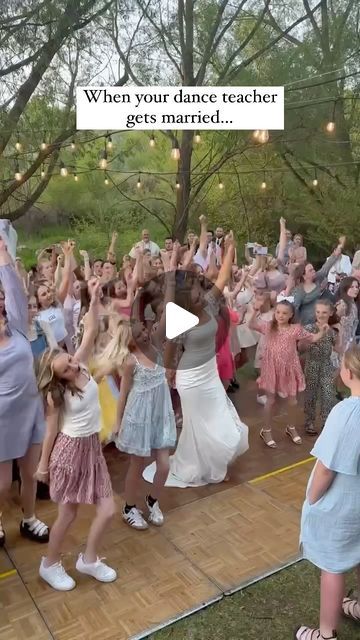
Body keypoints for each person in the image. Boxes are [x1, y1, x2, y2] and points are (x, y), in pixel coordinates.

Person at [143, 235, 249, 488]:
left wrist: (230, 249)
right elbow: (170, 347)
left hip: (210, 374)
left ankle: (215, 461)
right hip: (190, 378)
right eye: (195, 294)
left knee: (219, 416)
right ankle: (201, 465)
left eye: (201, 291)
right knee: (197, 424)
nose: (201, 296)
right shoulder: (179, 318)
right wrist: (170, 371)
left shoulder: (211, 304)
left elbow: (223, 277)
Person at [35, 281, 117, 591]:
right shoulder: (56, 395)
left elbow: (92, 329)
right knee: (68, 514)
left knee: (107, 510)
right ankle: (49, 564)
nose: (72, 365)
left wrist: (94, 299)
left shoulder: (78, 362)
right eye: (67, 369)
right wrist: (43, 465)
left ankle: (89, 559)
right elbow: (51, 429)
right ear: (57, 378)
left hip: (92, 449)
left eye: (69, 360)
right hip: (69, 453)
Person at [296, 345, 360, 640]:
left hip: (343, 505)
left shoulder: (345, 413)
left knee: (333, 565)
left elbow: (326, 468)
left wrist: (313, 498)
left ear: (347, 373)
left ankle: (325, 634)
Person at [0, 235, 49, 547]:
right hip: (2, 419)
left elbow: (16, 291)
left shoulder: (16, 325)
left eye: (0, 297)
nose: (1, 301)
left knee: (29, 474)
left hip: (31, 410)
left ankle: (29, 518)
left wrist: (3, 252)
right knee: (3, 484)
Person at [249, 299, 330, 448]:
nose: (280, 315)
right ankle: (266, 430)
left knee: (292, 402)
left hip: (290, 370)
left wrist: (322, 331)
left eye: (284, 313)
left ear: (291, 315)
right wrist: (254, 310)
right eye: (278, 312)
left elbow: (312, 338)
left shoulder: (295, 329)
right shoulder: (268, 327)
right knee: (271, 401)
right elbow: (251, 325)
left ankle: (291, 427)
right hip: (271, 370)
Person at [302, 301, 340, 435]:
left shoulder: (332, 331)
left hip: (326, 365)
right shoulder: (309, 328)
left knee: (328, 395)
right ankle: (309, 422)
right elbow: (301, 348)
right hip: (312, 364)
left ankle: (326, 423)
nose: (320, 315)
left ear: (330, 313)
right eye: (318, 312)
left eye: (324, 312)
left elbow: (338, 348)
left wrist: (338, 333)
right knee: (310, 395)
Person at [293, 238, 345, 325]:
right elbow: (295, 308)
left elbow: (326, 267)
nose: (313, 271)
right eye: (310, 270)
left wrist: (337, 252)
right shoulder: (299, 290)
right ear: (304, 275)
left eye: (313, 269)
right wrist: (297, 326)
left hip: (320, 318)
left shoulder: (317, 278)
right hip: (306, 323)